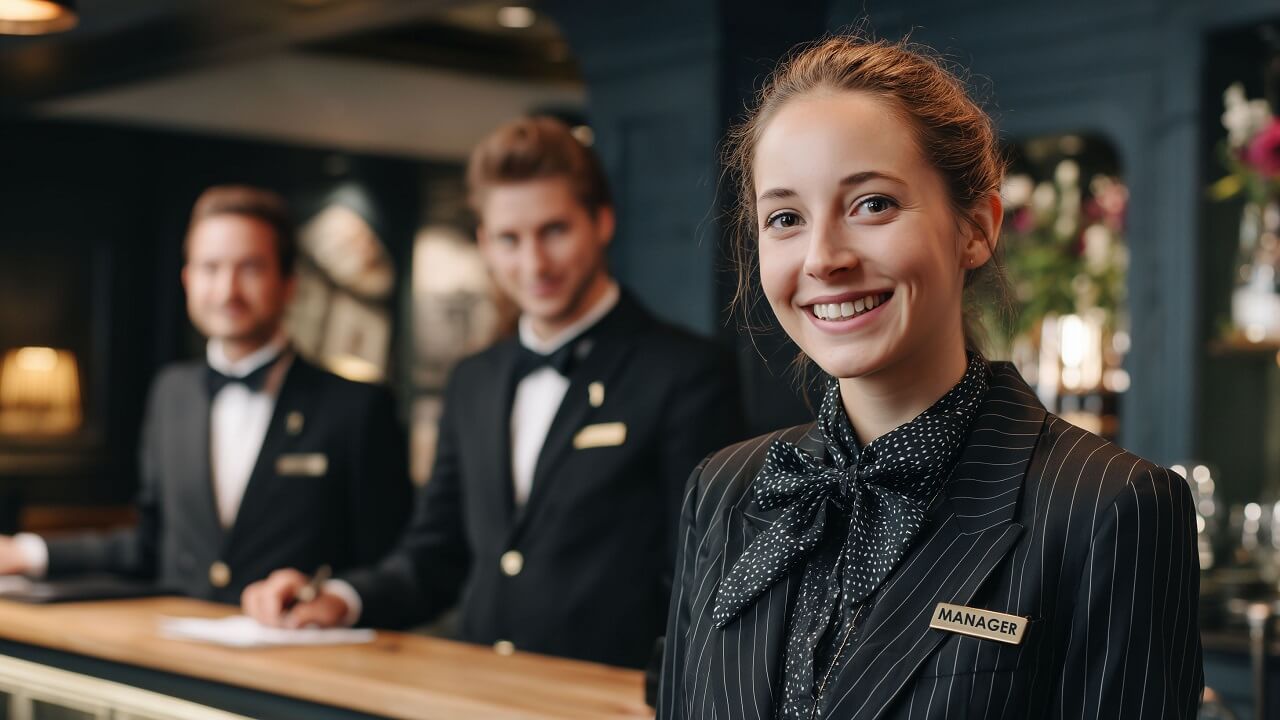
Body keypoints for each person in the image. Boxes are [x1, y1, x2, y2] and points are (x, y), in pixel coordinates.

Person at [658, 36, 1203, 719]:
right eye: (786, 218)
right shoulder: (724, 490)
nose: (824, 258)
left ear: (976, 227)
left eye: (873, 205)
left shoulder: (1109, 509)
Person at [242, 117, 743, 669]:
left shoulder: (685, 371)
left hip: (612, 699)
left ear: (602, 222)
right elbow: (437, 554)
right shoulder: (472, 380)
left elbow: (703, 576)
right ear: (483, 241)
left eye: (554, 230)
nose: (533, 263)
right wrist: (340, 598)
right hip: (477, 692)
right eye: (509, 239)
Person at [0, 185, 412, 603]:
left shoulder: (359, 408)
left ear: (289, 283)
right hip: (178, 653)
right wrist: (28, 552)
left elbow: (396, 564)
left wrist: (333, 597)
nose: (226, 291)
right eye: (210, 268)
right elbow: (150, 543)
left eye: (249, 268)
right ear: (187, 279)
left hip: (307, 657)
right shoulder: (171, 393)